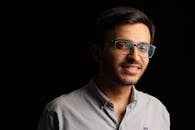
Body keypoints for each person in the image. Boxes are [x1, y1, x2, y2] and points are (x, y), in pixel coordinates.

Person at [37, 6, 170, 130]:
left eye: (143, 47)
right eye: (122, 45)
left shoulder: (157, 111)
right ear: (97, 53)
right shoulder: (59, 113)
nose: (135, 57)